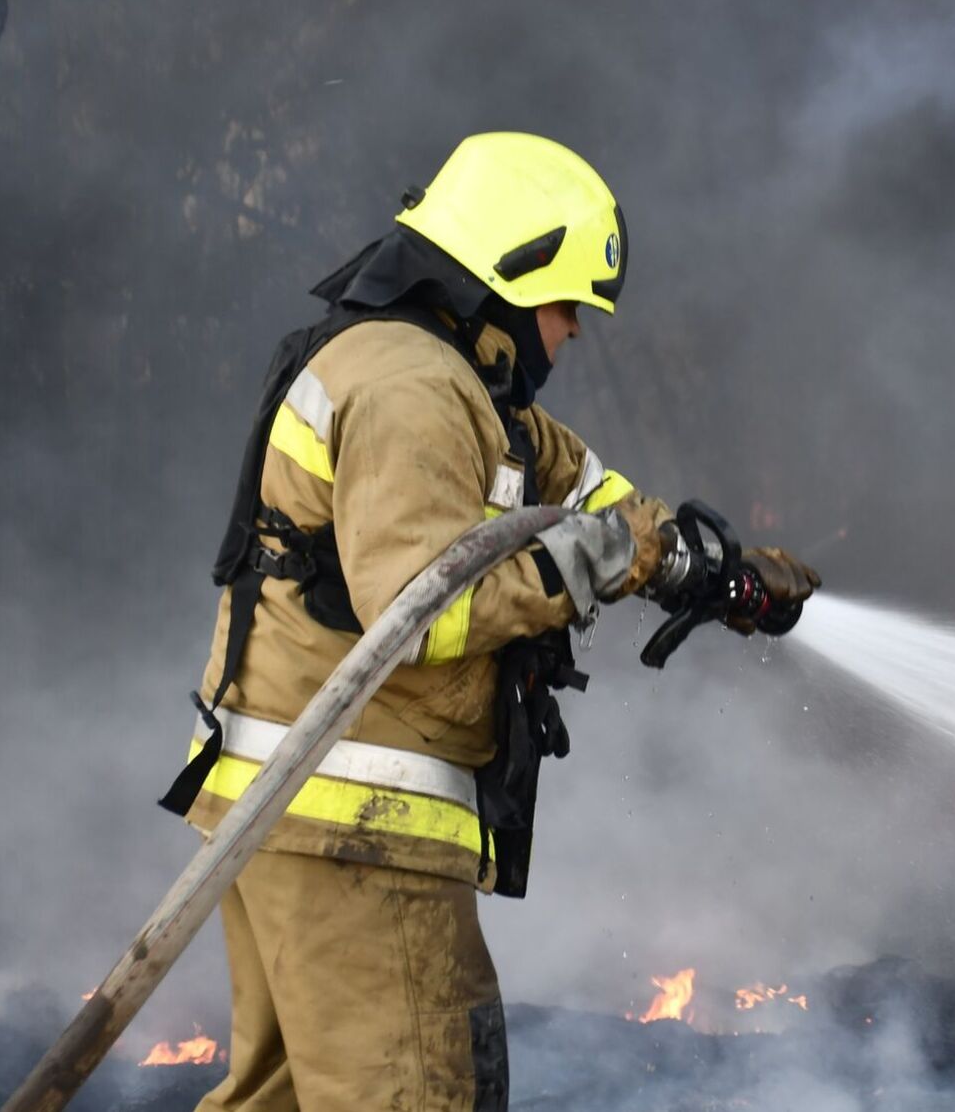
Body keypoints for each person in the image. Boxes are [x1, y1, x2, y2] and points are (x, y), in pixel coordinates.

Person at [157, 132, 821, 1111]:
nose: (575, 332)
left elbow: (594, 500)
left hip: (303, 815)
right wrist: (608, 557)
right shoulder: (412, 388)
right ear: (506, 279)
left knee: (287, 1100)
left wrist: (704, 569)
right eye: (566, 306)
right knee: (420, 1093)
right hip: (353, 821)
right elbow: (421, 607)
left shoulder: (459, 384)